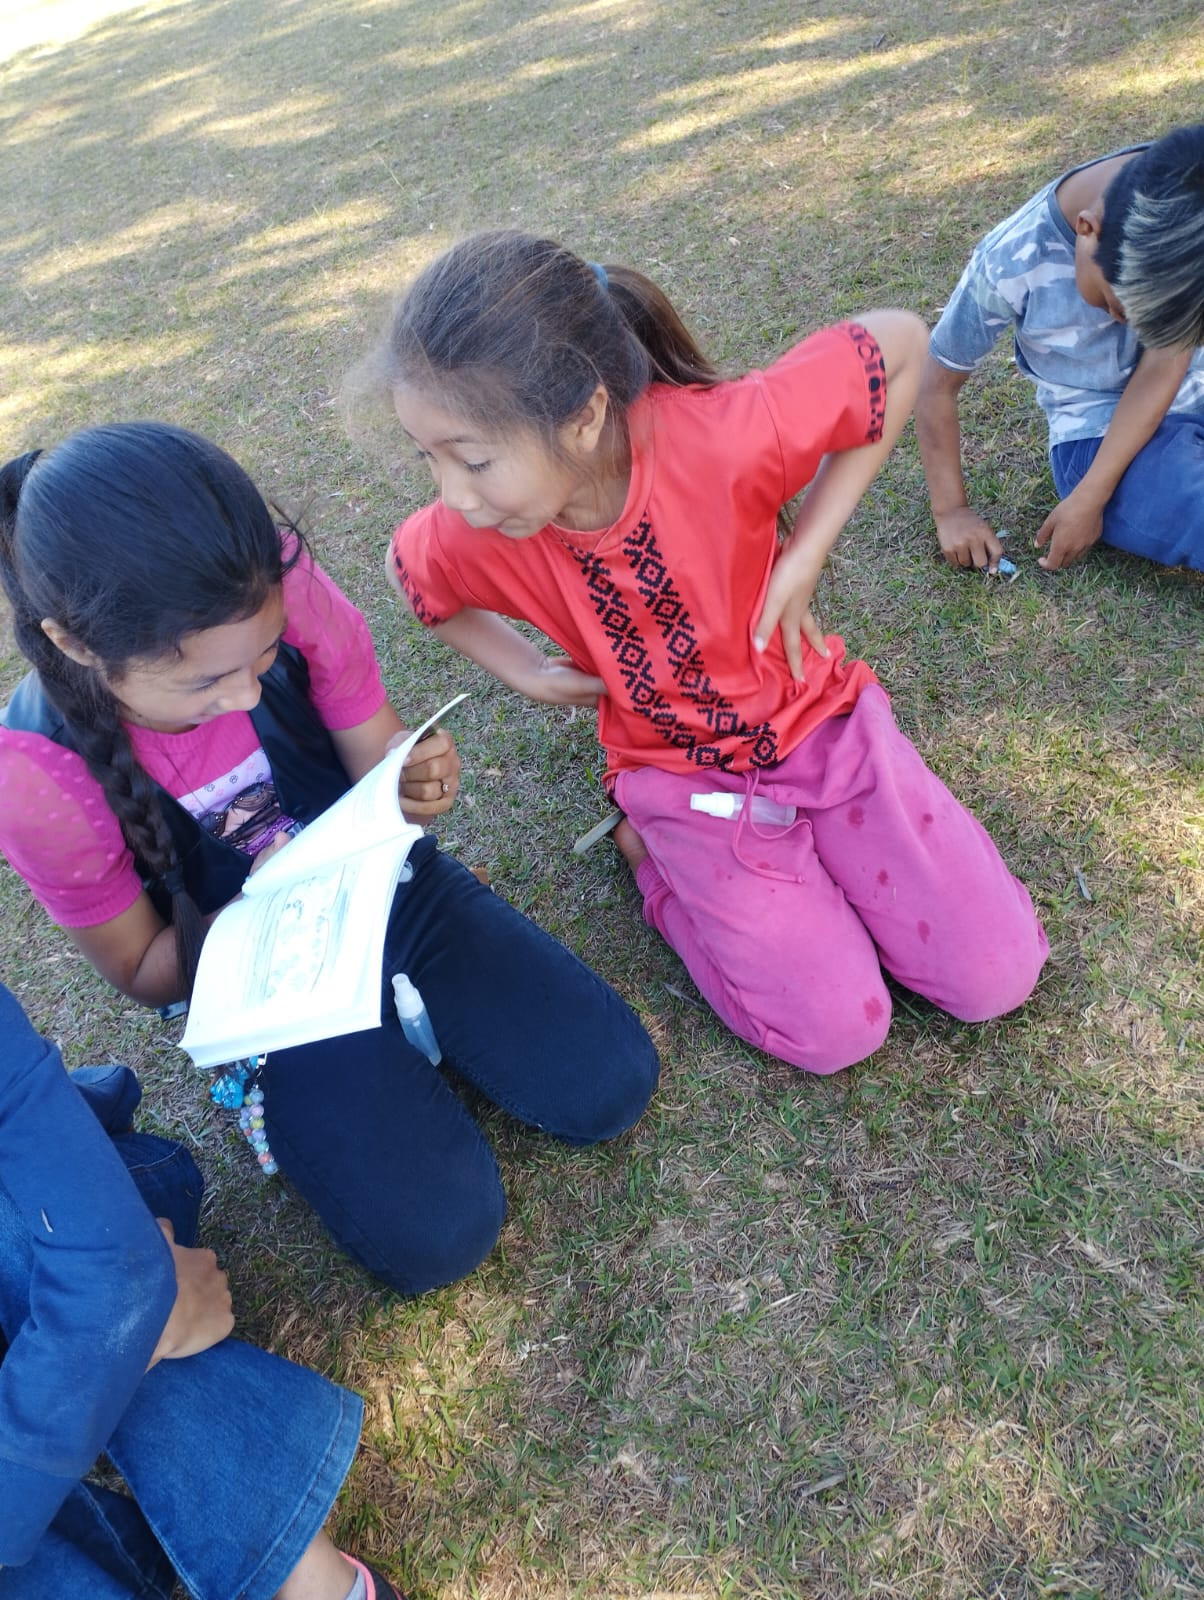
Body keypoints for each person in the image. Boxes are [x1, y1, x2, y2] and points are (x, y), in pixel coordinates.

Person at [0, 424, 658, 1296]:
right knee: (440, 1234)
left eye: (262, 659)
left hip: (382, 889)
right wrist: (259, 913)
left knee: (610, 1081)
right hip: (259, 986)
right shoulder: (36, 771)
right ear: (79, 645)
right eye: (201, 686)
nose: (242, 694)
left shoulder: (284, 584)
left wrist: (407, 784)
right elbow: (145, 970)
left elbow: (375, 759)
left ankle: (405, 1023)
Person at [374, 230, 1049, 1076]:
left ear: (583, 416)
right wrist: (529, 675)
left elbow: (904, 345)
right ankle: (651, 860)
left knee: (998, 977)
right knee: (835, 1031)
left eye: (470, 460)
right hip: (677, 775)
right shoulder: (479, 528)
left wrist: (806, 549)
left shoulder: (724, 438)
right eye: (428, 459)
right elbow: (414, 574)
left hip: (823, 726)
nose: (454, 498)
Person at [0, 981, 404, 1600]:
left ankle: (310, 1578)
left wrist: (114, 1330)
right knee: (103, 1335)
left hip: (70, 1206)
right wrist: (117, 1356)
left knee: (70, 1278)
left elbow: (107, 1273)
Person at [916, 124, 1204, 574]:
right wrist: (951, 512)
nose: (1134, 328)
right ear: (1088, 231)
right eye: (1119, 309)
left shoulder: (1187, 195)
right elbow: (936, 385)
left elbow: (1167, 360)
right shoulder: (1010, 260)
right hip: (1096, 435)